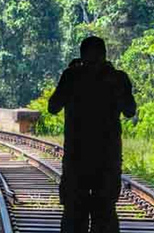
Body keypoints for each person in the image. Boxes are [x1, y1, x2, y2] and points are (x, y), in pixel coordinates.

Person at [48, 36, 137, 233]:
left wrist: (71, 74)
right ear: (105, 55)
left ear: (81, 55)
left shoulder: (71, 76)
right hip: (107, 155)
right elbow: (130, 110)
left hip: (76, 155)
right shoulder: (118, 78)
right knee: (105, 211)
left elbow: (53, 107)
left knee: (73, 213)